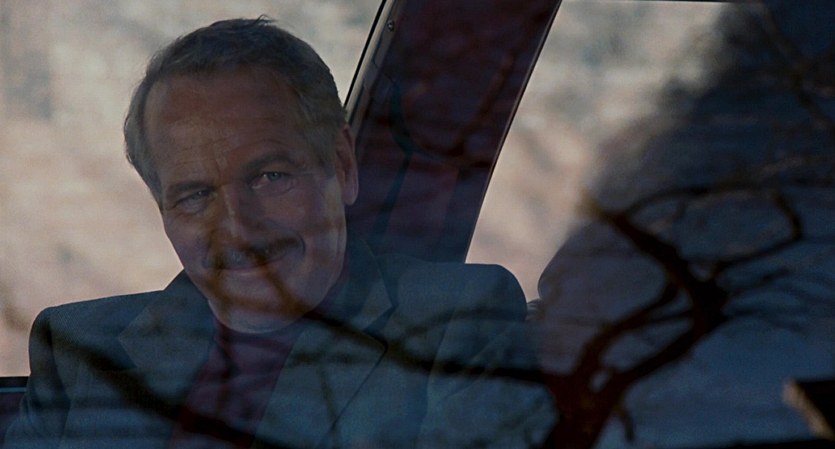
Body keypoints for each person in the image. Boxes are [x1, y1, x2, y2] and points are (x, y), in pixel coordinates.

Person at [4, 17, 556, 448]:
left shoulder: (457, 323)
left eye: (270, 177)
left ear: (341, 165)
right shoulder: (80, 349)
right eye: (195, 195)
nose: (238, 228)